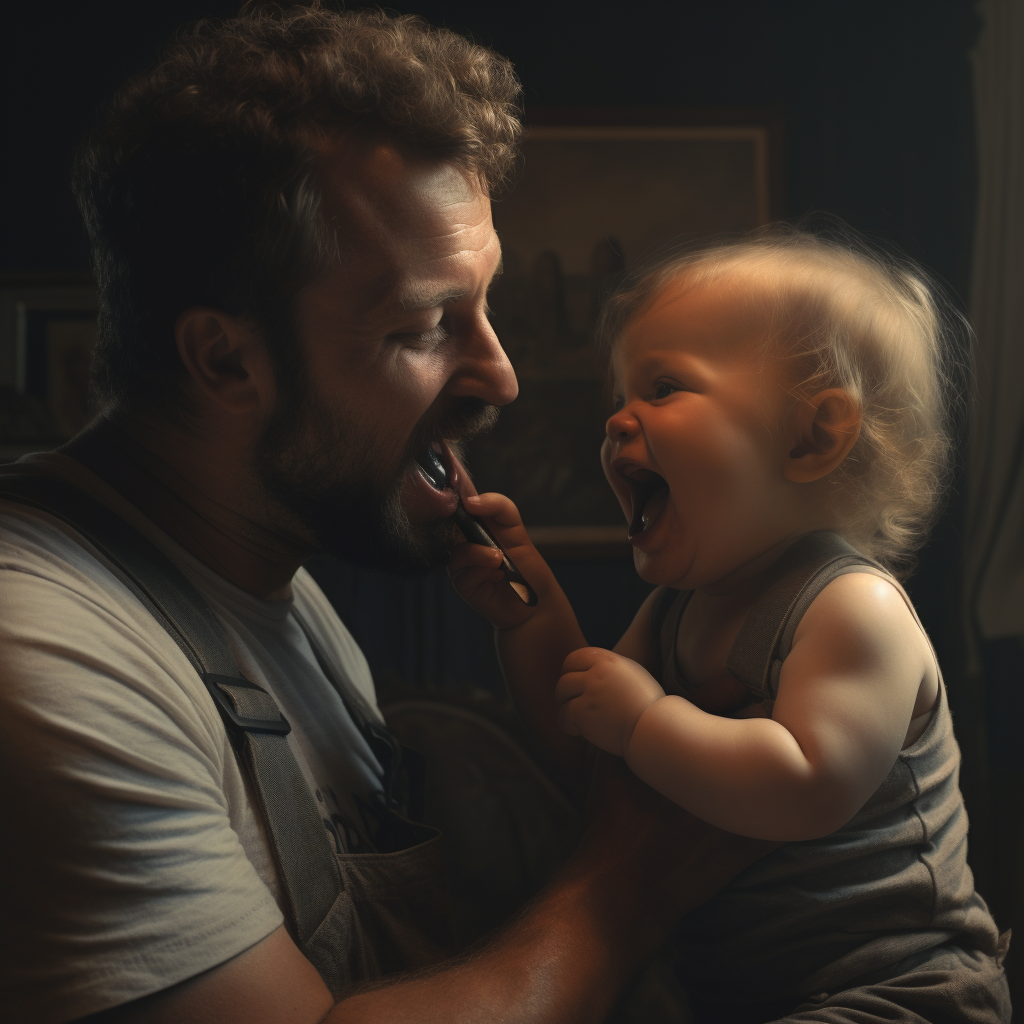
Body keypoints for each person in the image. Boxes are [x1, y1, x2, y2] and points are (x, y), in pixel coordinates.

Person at [0, 6, 780, 1024]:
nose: (499, 374)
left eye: (485, 303)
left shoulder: (272, 577)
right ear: (225, 359)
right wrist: (629, 878)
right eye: (421, 327)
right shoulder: (47, 659)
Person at [450, 226, 1012, 1022]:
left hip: (897, 993)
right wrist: (530, 615)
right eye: (621, 396)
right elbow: (588, 745)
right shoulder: (678, 610)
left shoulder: (853, 608)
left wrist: (645, 718)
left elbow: (806, 785)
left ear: (813, 437)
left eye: (665, 387)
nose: (617, 420)